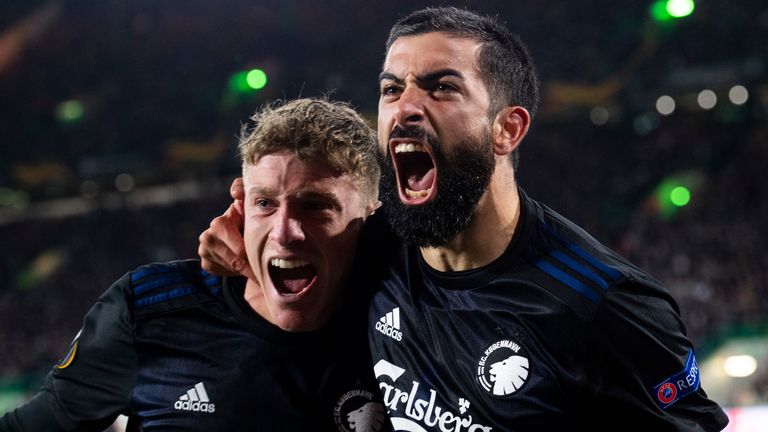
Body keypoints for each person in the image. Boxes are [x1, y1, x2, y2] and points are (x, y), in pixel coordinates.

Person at [199, 7, 729, 431]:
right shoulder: (368, 249)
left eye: (441, 87)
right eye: (391, 89)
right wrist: (245, 247)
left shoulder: (604, 304)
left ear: (507, 130)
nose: (404, 106)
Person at [0, 98, 389, 431]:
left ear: (371, 219)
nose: (285, 232)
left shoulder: (409, 313)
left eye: (316, 205)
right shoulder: (150, 309)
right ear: (239, 207)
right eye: (265, 203)